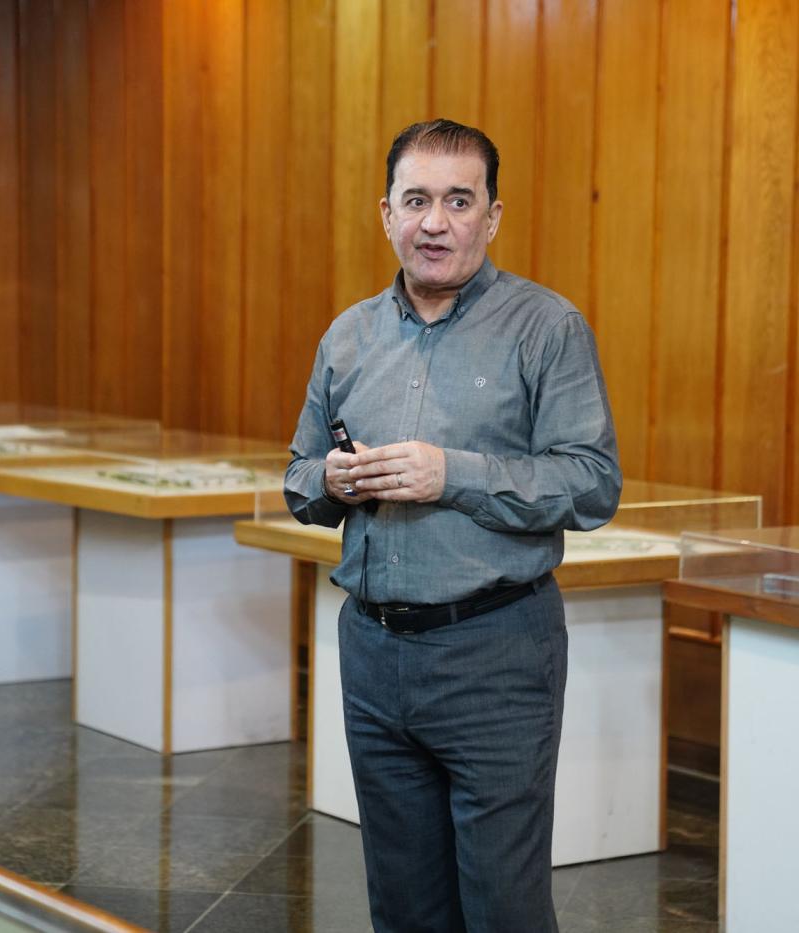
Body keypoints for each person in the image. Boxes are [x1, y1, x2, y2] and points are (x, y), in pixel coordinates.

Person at [283, 119, 621, 933]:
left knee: (503, 905)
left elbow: (592, 483)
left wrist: (453, 474)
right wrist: (330, 480)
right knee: (403, 904)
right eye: (416, 200)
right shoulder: (348, 336)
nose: (435, 222)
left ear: (492, 217)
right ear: (387, 214)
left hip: (495, 652)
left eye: (459, 201)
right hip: (373, 652)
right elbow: (297, 476)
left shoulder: (546, 328)